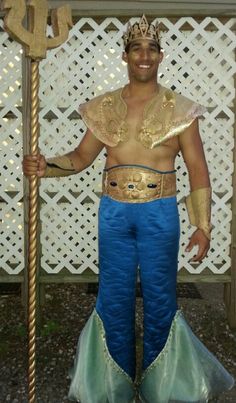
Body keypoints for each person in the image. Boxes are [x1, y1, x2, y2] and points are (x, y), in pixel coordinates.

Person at [23, 14, 234, 403]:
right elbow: (81, 157)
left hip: (160, 213)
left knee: (160, 299)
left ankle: (164, 387)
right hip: (115, 214)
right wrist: (46, 166)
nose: (143, 55)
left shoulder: (181, 110)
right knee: (113, 297)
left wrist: (202, 226)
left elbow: (198, 169)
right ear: (125, 56)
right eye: (136, 48)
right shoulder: (103, 108)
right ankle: (111, 387)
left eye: (151, 49)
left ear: (160, 56)